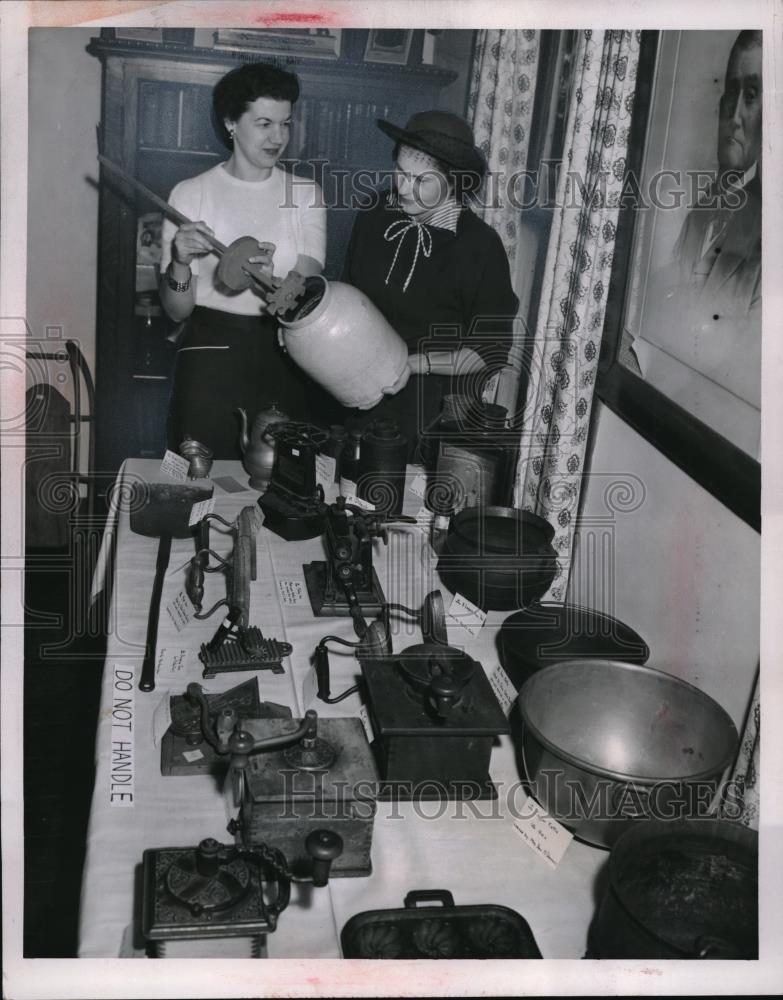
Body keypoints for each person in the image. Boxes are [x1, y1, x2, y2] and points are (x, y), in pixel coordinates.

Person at [159, 62, 326, 459]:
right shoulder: (189, 193)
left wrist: (275, 283)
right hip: (207, 358)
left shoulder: (305, 194)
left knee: (279, 485)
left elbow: (306, 283)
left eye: (286, 124)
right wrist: (180, 260)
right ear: (231, 122)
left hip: (285, 355)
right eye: (265, 123)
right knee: (194, 479)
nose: (278, 137)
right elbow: (177, 310)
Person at [340, 110, 519, 460]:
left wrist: (413, 364)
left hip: (429, 408)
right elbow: (348, 296)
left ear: (453, 182)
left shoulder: (479, 246)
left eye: (420, 180)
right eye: (400, 173)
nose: (403, 188)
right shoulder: (375, 213)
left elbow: (490, 350)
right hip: (357, 391)